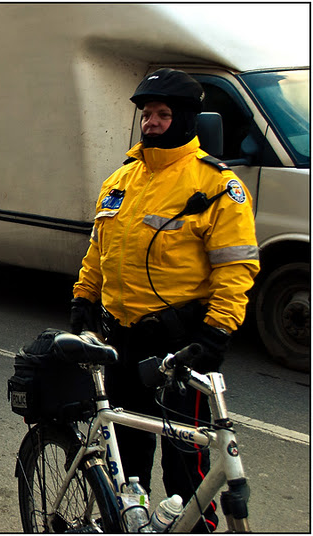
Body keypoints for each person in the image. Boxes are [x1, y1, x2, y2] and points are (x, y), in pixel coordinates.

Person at [70, 68, 260, 532]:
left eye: (162, 114)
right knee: (127, 460)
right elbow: (99, 250)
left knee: (187, 470)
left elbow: (235, 269)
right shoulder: (121, 179)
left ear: (187, 119)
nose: (150, 123)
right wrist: (83, 302)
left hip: (180, 350)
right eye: (146, 114)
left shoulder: (216, 186)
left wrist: (215, 335)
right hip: (122, 342)